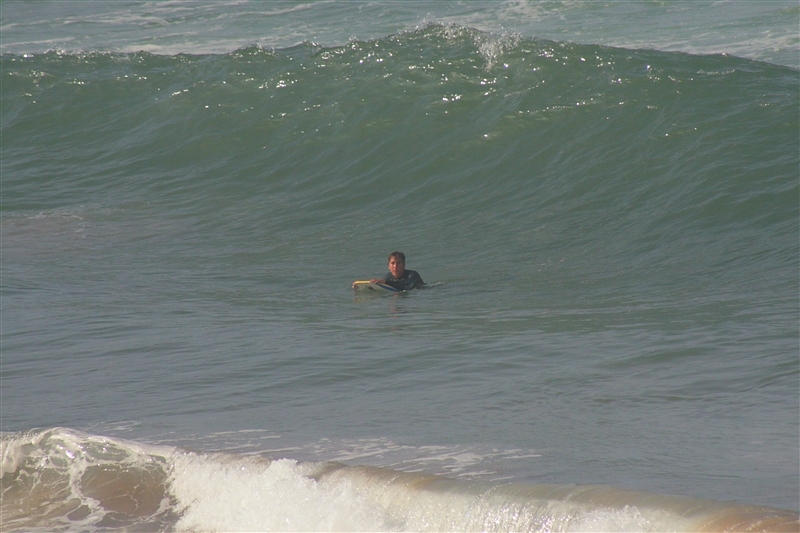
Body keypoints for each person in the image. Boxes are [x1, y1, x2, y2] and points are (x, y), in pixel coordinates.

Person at [354, 251, 424, 291]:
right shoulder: (388, 278)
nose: (395, 266)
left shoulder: (413, 275)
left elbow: (405, 287)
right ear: (388, 266)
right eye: (392, 263)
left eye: (398, 263)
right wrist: (359, 288)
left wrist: (386, 282)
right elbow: (379, 289)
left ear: (404, 265)